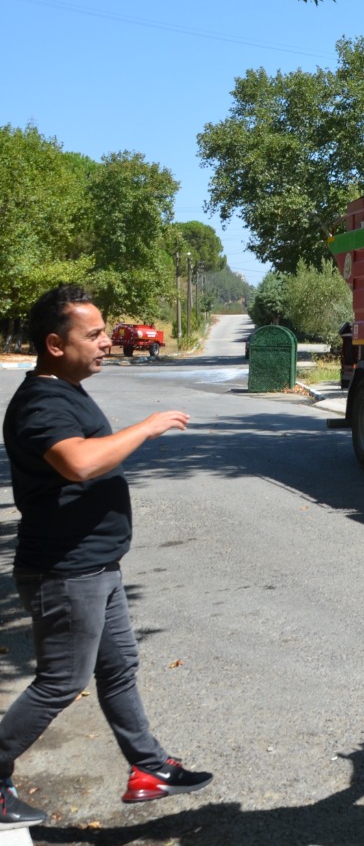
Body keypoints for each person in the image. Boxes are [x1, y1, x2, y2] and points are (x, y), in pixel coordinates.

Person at [0, 285, 213, 829]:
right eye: (92, 334)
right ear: (54, 343)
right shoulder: (42, 401)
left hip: (95, 564)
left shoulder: (63, 389)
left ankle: (148, 768)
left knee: (118, 669)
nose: (106, 342)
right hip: (66, 569)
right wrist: (145, 426)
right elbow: (78, 463)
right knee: (61, 682)